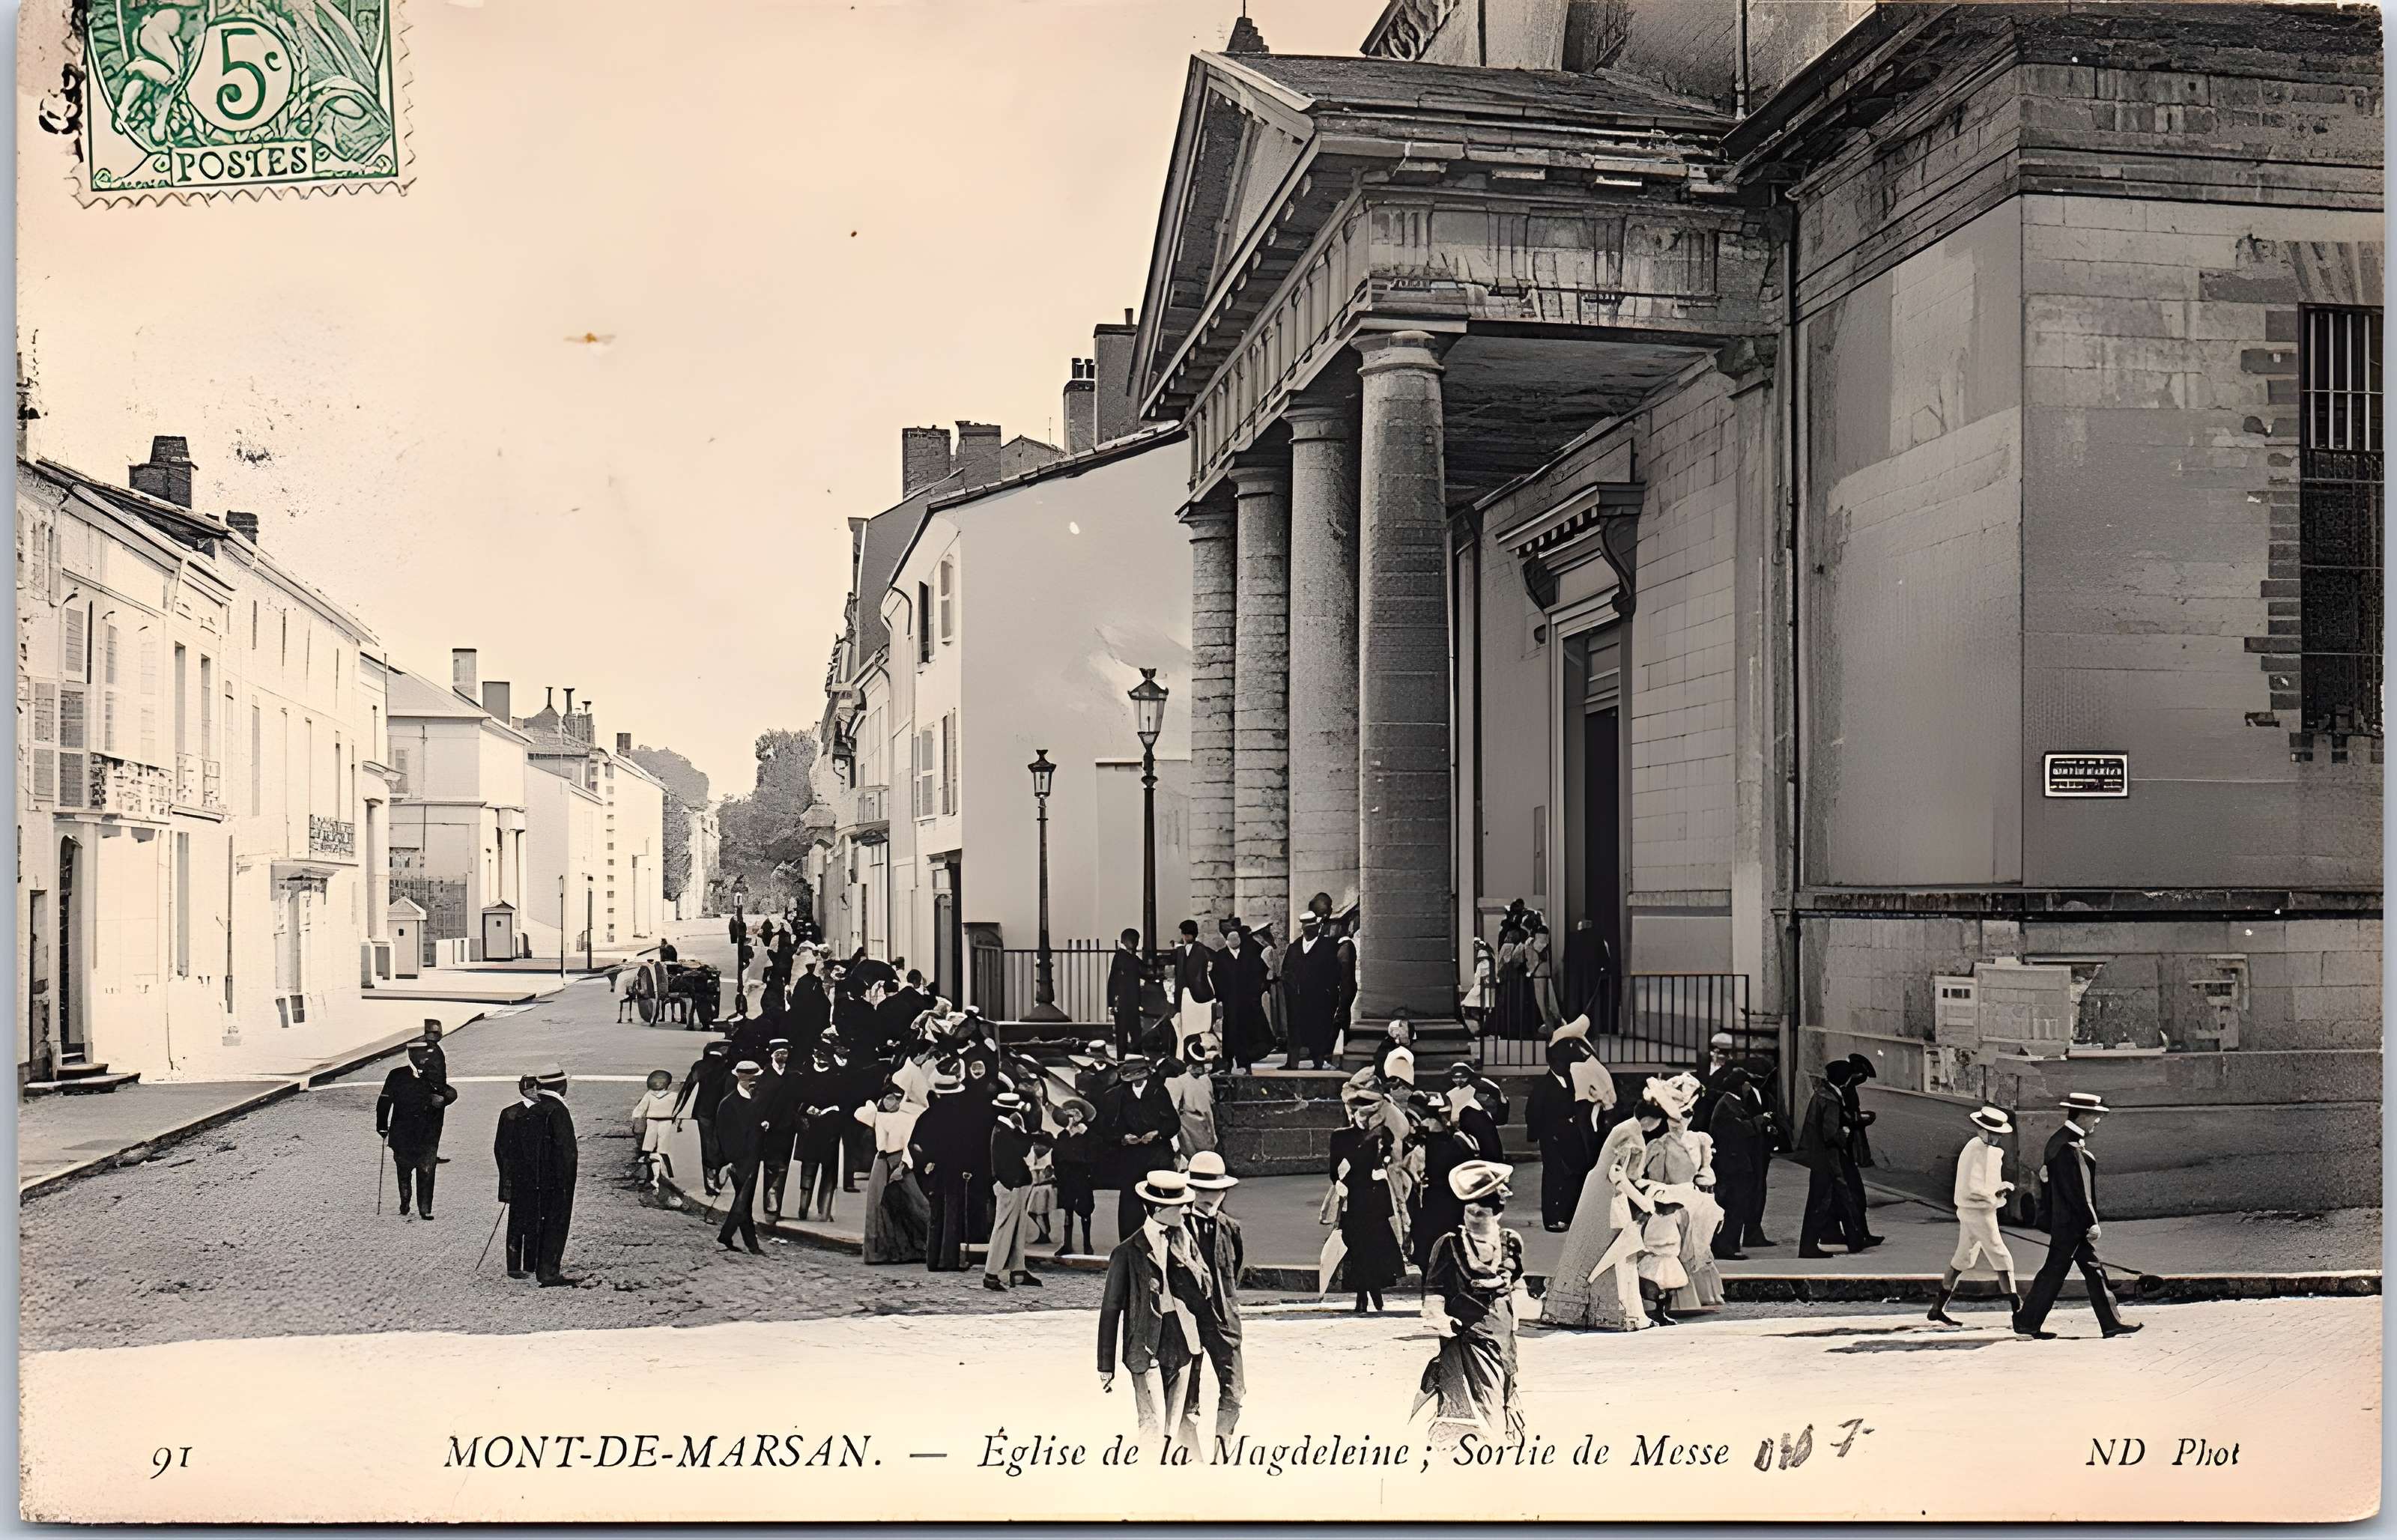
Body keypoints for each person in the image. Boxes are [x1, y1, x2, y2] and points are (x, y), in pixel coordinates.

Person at [1415, 1159, 1527, 1452]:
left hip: (1501, 1337)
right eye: (1469, 1212)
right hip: (1464, 1337)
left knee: (1502, 1391)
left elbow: (1516, 1283)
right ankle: (1473, 1452)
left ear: (1497, 1213)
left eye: (1481, 1213)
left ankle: (1496, 1449)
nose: (1474, 1218)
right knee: (1473, 1402)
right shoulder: (1449, 1245)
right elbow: (1434, 1293)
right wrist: (1441, 1320)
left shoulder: (1510, 1242)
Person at [1097, 1169, 1213, 1447]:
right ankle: (1150, 1479)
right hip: (1145, 1343)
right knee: (1152, 1422)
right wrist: (1106, 1364)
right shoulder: (1126, 1252)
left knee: (1178, 1424)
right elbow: (1111, 1310)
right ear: (1159, 1209)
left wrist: (1187, 1259)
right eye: (1179, 1206)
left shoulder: (1187, 1241)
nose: (1186, 1211)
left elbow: (1207, 1290)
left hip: (1183, 1340)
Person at [2014, 1092, 2137, 1340]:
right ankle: (2028, 1323)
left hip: (2064, 1220)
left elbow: (2050, 1182)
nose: (2097, 1122)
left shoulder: (2058, 1141)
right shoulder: (2069, 1147)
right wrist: (2091, 1222)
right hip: (2072, 1223)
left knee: (2087, 1270)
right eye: (2096, 1116)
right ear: (2083, 1116)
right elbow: (2079, 1192)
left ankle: (2108, 1323)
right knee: (2059, 1272)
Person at [1543, 1093, 1668, 1330]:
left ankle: (1596, 1310)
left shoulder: (1626, 1127)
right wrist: (1644, 1202)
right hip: (1608, 1197)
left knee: (1593, 1248)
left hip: (1600, 1192)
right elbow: (1618, 1175)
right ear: (1652, 1120)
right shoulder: (1633, 1135)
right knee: (1616, 1250)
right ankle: (1622, 1313)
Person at [1639, 1074, 1724, 1314]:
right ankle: (1670, 1300)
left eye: (1686, 1115)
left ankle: (1699, 1295)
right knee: (1670, 1246)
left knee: (1696, 1245)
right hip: (1670, 1197)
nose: (1679, 1121)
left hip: (1692, 1197)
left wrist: (1709, 1197)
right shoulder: (1659, 1145)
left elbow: (1705, 1173)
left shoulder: (1700, 1140)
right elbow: (1654, 1176)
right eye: (1674, 1116)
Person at [1932, 1105, 2022, 1327]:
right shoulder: (1974, 1150)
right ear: (1982, 1131)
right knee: (2001, 1255)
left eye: (1999, 1135)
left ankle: (1937, 1307)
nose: (1997, 1139)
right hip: (1978, 1211)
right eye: (1994, 1134)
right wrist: (1996, 1193)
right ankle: (2018, 1311)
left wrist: (2000, 1188)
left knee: (1964, 1258)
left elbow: (1986, 1184)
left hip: (1979, 1209)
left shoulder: (1991, 1152)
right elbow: (1973, 1187)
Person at [1178, 1150, 1246, 1443]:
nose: (1210, 1196)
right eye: (1203, 1190)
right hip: (1187, 1321)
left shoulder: (1231, 1228)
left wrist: (1227, 1305)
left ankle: (1223, 1446)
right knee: (1185, 1393)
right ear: (1190, 1189)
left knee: (1234, 1389)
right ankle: (1189, 1453)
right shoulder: (1177, 1228)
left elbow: (1236, 1268)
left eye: (1217, 1191)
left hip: (1224, 1320)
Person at [1326, 1094, 1403, 1312]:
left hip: (1375, 1198)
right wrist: (1338, 1182)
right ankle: (1363, 1293)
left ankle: (1373, 1289)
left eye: (1369, 1114)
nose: (1365, 1118)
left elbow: (1392, 1155)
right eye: (1361, 1113)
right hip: (1354, 1197)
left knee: (1375, 1248)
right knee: (1357, 1247)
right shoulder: (1341, 1136)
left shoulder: (1381, 1133)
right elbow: (1334, 1168)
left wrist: (1383, 1167)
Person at [1095, 1055, 1181, 1244]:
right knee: (1129, 1204)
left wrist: (1157, 1133)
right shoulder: (1117, 1095)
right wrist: (1123, 1138)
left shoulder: (1158, 1092)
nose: (1135, 1082)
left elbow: (1174, 1123)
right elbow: (1106, 1128)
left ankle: (1162, 1240)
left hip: (1156, 1156)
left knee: (1158, 1200)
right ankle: (1130, 1243)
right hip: (1130, 1157)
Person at [376, 1040, 458, 1220]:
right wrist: (382, 1126)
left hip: (427, 1135)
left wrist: (443, 1100)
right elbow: (384, 1102)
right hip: (402, 1134)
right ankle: (405, 1200)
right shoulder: (397, 1075)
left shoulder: (434, 1078)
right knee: (404, 1171)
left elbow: (451, 1093)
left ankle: (425, 1209)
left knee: (427, 1171)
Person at [909, 1068, 980, 1272]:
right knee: (953, 1215)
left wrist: (926, 1162)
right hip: (955, 1170)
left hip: (935, 1171)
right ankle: (949, 1260)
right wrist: (968, 1168)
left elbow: (915, 1145)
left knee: (936, 1216)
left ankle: (932, 1260)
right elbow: (969, 1146)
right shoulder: (963, 1115)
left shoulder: (927, 1116)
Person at [983, 1091, 1050, 1291]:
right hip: (1008, 1185)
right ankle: (991, 1273)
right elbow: (1021, 1148)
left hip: (1017, 1183)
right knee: (1003, 1228)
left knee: (1018, 1228)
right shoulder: (1002, 1130)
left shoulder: (1009, 1127)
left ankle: (1018, 1271)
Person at [854, 1086, 930, 1264]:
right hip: (881, 1162)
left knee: (916, 1203)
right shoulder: (878, 1116)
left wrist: (903, 1166)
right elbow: (860, 1114)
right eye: (888, 1098)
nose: (891, 1102)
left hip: (900, 1161)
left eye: (895, 1098)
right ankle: (879, 1252)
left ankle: (922, 1246)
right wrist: (877, 1104)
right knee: (877, 1205)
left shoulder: (907, 1118)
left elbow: (907, 1144)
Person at [1524, 1041, 1594, 1231]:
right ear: (1553, 1063)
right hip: (1552, 1136)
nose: (1567, 1066)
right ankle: (1552, 1218)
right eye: (1564, 1063)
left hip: (1569, 1133)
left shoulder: (1569, 1079)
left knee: (1575, 1173)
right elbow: (1533, 1112)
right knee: (1554, 1175)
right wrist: (1540, 1135)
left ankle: (1567, 1214)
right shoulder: (1544, 1085)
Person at [1795, 1059, 1860, 1258]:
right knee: (1822, 1201)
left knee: (1823, 1200)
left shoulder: (1822, 1094)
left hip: (1818, 1156)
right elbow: (1830, 1134)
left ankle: (1841, 1237)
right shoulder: (1831, 1099)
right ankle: (1809, 1246)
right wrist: (1845, 1132)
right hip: (1828, 1158)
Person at [525, 1064, 581, 1285]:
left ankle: (535, 1266)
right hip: (557, 1179)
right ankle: (549, 1272)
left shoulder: (535, 1107)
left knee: (538, 1222)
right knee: (556, 1223)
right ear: (562, 1086)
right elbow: (568, 1152)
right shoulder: (558, 1109)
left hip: (534, 1177)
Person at [1704, 1067, 1766, 1260]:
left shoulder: (1732, 1102)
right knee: (1733, 1205)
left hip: (1735, 1163)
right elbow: (1736, 1131)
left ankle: (1729, 1245)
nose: (1750, 1087)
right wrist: (1758, 1121)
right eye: (1747, 1083)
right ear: (1741, 1085)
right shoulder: (1729, 1105)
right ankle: (1726, 1247)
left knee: (1736, 1205)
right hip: (1732, 1165)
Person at [713, 1061, 773, 1255]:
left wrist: (763, 1125)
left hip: (754, 1155)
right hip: (738, 1159)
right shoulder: (728, 1103)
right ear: (743, 1079)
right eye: (752, 1081)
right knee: (743, 1200)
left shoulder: (757, 1098)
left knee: (744, 1201)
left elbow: (758, 1120)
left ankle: (735, 1238)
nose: (756, 1085)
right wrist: (729, 1161)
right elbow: (723, 1136)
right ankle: (741, 1240)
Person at [494, 1076, 545, 1276]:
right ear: (527, 1090)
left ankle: (531, 1264)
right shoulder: (510, 1114)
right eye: (534, 1089)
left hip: (538, 1178)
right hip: (519, 1178)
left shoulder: (545, 1112)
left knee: (535, 1221)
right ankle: (514, 1266)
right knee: (517, 1221)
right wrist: (506, 1181)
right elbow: (501, 1150)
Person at [1280, 912, 1343, 1070]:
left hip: (1319, 998)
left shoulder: (1327, 947)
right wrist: (1290, 989)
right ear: (1303, 929)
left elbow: (1334, 972)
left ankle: (1318, 1061)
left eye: (1313, 928)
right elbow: (1286, 971)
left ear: (1318, 928)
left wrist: (1328, 992)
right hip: (1297, 998)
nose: (1309, 931)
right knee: (1295, 1030)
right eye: (1307, 928)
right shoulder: (1294, 948)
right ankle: (1292, 1062)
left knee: (1318, 1029)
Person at [672, 1041, 735, 1197]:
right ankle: (715, 1175)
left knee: (708, 1145)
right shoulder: (729, 1067)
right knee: (721, 1143)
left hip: (704, 1112)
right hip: (723, 1112)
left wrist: (677, 1111)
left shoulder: (700, 1066)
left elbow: (688, 1087)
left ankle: (710, 1179)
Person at [1840, 1052, 1885, 1248]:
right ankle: (1860, 1235)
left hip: (1843, 1152)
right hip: (1843, 1152)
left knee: (1840, 1196)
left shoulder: (1844, 1089)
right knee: (1854, 1196)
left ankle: (1839, 1233)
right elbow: (1845, 1120)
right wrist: (1861, 1120)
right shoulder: (1843, 1091)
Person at [1050, 1095, 1099, 1257]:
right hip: (1066, 1178)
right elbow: (1057, 1156)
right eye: (1069, 1115)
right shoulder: (1063, 1136)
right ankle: (1067, 1244)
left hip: (1083, 1178)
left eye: (1075, 1115)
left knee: (1085, 1210)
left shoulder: (1088, 1136)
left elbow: (1092, 1156)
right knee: (1067, 1210)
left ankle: (1087, 1244)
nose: (1071, 1119)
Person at [757, 1040, 797, 1218]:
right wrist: (764, 1120)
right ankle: (769, 1204)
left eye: (785, 1053)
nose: (782, 1056)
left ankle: (776, 1204)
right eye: (779, 1053)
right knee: (772, 1166)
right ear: (772, 1055)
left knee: (784, 1166)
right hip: (770, 1129)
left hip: (788, 1128)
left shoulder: (792, 1075)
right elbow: (759, 1102)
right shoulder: (765, 1076)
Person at [628, 1069, 678, 1192]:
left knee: (650, 1149)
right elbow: (678, 1109)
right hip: (667, 1122)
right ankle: (666, 1174)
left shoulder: (649, 1095)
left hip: (652, 1122)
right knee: (663, 1149)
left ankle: (653, 1176)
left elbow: (639, 1111)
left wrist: (635, 1121)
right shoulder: (673, 1096)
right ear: (668, 1084)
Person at [1171, 921, 1216, 1053]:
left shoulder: (1180, 951)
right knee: (1197, 1028)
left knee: (1187, 1028)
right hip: (1200, 994)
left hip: (1191, 995)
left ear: (1184, 935)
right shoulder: (1203, 950)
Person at [1167, 1050, 1218, 1157]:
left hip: (1206, 1130)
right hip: (1188, 1133)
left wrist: (1214, 1134)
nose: (1198, 1069)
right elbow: (1173, 1109)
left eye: (1200, 1065)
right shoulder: (1178, 1081)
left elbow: (1211, 1108)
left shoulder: (1206, 1080)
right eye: (1195, 1065)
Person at [1106, 928, 1145, 1060]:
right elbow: (1143, 970)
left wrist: (1111, 1003)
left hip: (1123, 1002)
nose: (1136, 943)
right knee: (1132, 1033)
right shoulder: (1128, 958)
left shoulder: (1122, 957)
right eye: (1134, 940)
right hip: (1126, 1002)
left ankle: (1123, 1059)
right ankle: (1131, 1059)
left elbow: (1111, 981)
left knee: (1125, 1033)